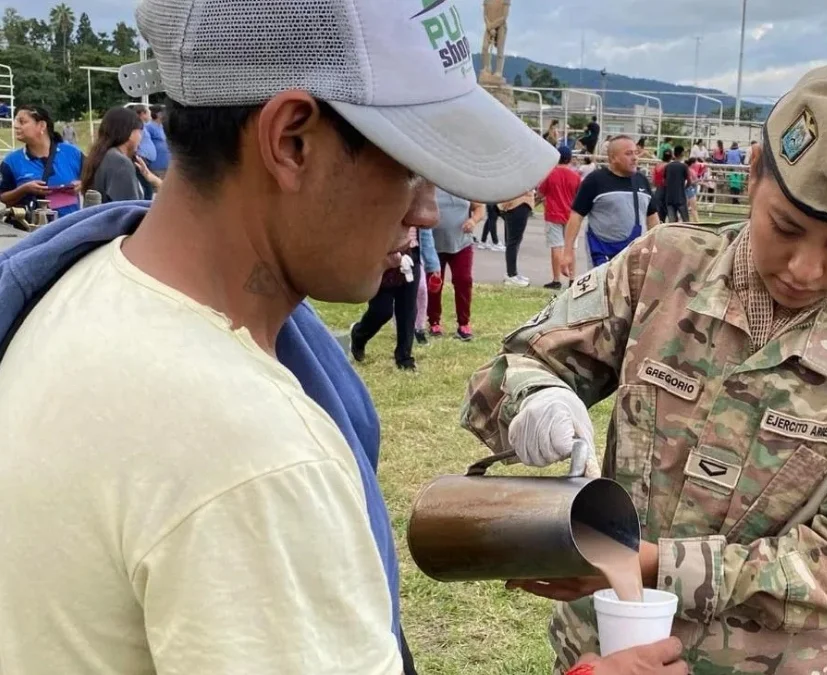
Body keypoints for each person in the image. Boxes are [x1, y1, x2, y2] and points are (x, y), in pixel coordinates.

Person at [0, 0, 687, 672]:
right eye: (411, 162)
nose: (425, 210)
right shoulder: (251, 455)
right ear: (291, 141)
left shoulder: (84, 285)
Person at [461, 55, 827, 675]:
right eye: (786, 226)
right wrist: (535, 400)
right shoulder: (663, 268)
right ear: (753, 176)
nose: (804, 269)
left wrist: (652, 564)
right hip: (604, 651)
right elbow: (514, 366)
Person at [562, 135, 657, 276]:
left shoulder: (641, 181)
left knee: (631, 293)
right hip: (602, 250)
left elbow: (652, 216)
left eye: (636, 153)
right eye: (628, 153)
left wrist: (657, 248)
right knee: (604, 292)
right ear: (613, 158)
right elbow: (576, 216)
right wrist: (567, 252)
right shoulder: (595, 181)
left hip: (634, 253)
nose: (635, 158)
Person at [350, 224, 432, 370]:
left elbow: (425, 233)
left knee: (407, 309)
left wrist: (432, 263)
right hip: (383, 257)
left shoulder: (414, 205)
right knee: (382, 310)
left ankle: (404, 358)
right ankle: (359, 335)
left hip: (411, 255)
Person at [1, 104, 84, 218]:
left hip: (71, 228)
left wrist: (83, 184)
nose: (15, 126)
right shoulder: (11, 162)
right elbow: (2, 200)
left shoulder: (72, 153)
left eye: (22, 122)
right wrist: (24, 189)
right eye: (15, 121)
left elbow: (95, 179)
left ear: (41, 125)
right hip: (29, 231)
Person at [428, 187, 482, 340]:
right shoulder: (432, 185)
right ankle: (434, 322)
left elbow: (479, 208)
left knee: (464, 280)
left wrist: (472, 220)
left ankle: (463, 324)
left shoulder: (462, 184)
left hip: (461, 243)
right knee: (434, 283)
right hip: (435, 245)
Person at [80, 107, 155, 203]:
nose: (140, 138)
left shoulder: (102, 156)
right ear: (130, 133)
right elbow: (128, 210)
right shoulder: (120, 162)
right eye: (140, 132)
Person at [539, 146, 582, 290]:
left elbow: (541, 193)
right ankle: (572, 278)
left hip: (553, 214)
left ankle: (556, 279)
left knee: (556, 247)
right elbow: (579, 196)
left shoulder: (550, 175)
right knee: (571, 248)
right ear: (570, 158)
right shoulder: (575, 176)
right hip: (570, 216)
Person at [499, 189, 534, 286]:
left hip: (516, 204)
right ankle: (511, 275)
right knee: (513, 241)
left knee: (514, 241)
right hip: (518, 204)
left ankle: (512, 272)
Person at [130, 105, 159, 199]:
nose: (150, 115)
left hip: (145, 159)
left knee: (147, 186)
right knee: (147, 187)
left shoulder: (143, 126)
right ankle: (145, 207)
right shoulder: (135, 126)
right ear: (142, 114)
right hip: (141, 159)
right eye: (148, 112)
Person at [662, 145, 690, 223]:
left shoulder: (668, 166)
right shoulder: (684, 166)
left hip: (669, 198)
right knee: (686, 221)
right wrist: (684, 188)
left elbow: (664, 181)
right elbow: (689, 181)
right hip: (680, 197)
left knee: (672, 223)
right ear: (682, 154)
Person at [145, 105, 171, 178]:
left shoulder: (162, 126)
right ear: (158, 114)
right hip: (156, 164)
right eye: (163, 112)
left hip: (166, 163)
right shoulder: (149, 127)